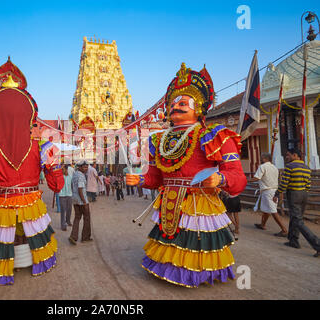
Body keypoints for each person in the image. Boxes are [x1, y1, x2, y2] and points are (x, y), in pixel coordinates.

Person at [126, 63, 247, 288]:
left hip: (199, 202)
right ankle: (170, 271)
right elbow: (156, 177)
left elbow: (238, 176)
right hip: (169, 201)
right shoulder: (158, 140)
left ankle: (197, 275)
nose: (175, 107)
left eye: (183, 103)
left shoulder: (216, 136)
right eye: (173, 104)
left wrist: (220, 179)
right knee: (171, 240)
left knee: (196, 241)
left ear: (199, 106)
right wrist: (140, 179)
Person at [0, 58, 64, 285]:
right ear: (28, 112)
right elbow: (56, 181)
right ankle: (37, 262)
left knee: (4, 233)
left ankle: (4, 269)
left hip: (2, 200)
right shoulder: (43, 145)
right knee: (31, 231)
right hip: (31, 198)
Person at [274, 148, 320, 257]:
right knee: (296, 217)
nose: (286, 157)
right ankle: (293, 240)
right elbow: (308, 185)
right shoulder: (307, 168)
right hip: (304, 194)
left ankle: (317, 244)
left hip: (294, 194)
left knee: (297, 220)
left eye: (288, 155)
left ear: (295, 155)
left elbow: (284, 183)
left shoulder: (290, 167)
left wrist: (277, 194)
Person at [251, 153, 287, 237]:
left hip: (268, 191)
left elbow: (257, 178)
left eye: (261, 158)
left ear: (265, 158)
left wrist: (245, 180)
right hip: (273, 190)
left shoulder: (262, 167)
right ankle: (262, 224)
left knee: (273, 211)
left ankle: (284, 229)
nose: (260, 159)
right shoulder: (275, 168)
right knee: (266, 209)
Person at [69, 160, 92, 244]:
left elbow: (72, 186)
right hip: (82, 201)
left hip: (75, 200)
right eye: (84, 167)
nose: (86, 168)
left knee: (77, 218)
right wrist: (84, 201)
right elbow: (80, 189)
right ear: (80, 167)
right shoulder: (81, 176)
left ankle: (73, 236)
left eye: (87, 167)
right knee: (87, 218)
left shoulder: (75, 174)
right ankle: (85, 237)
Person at [59, 165, 73, 231]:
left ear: (66, 169)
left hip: (69, 195)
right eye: (61, 169)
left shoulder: (70, 177)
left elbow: (72, 185)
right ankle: (63, 225)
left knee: (69, 209)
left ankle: (68, 221)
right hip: (62, 195)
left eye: (63, 169)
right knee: (63, 210)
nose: (62, 171)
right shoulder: (60, 177)